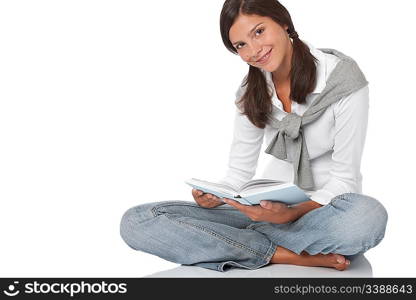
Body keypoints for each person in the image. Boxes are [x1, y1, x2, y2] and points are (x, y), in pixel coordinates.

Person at [119, 0, 388, 272]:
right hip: (260, 210)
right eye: (240, 45)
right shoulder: (251, 90)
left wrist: (291, 213)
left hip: (321, 213)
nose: (254, 51)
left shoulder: (341, 79)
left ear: (284, 22)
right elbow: (238, 174)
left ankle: (233, 244)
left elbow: (345, 179)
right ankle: (285, 254)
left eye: (259, 32)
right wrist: (216, 197)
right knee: (138, 220)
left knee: (367, 218)